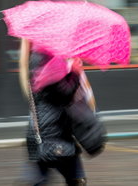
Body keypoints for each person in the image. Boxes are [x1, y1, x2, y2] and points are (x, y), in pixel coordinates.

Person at [19, 38, 105, 186]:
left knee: (44, 177)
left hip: (44, 131)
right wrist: (75, 73)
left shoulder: (37, 59)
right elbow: (64, 94)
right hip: (55, 134)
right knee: (75, 179)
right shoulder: (50, 63)